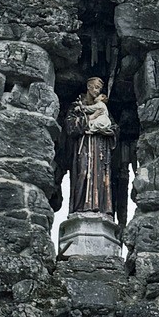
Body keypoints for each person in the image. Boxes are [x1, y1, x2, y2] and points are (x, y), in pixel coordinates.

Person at [66, 76, 118, 216]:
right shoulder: (77, 106)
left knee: (101, 177)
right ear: (88, 87)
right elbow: (70, 127)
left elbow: (113, 127)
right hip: (83, 147)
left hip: (101, 148)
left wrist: (109, 131)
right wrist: (91, 118)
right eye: (95, 87)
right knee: (83, 172)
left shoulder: (103, 107)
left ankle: (100, 208)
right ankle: (80, 208)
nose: (97, 91)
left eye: (99, 89)